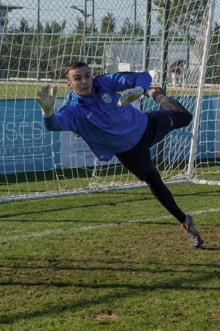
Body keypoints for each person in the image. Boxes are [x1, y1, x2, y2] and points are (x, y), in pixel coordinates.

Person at [36, 61, 202, 247]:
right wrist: (47, 112)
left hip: (146, 125)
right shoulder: (73, 109)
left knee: (185, 117)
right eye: (78, 78)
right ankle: (186, 221)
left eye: (87, 75)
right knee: (153, 180)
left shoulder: (104, 82)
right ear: (69, 84)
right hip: (130, 152)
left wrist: (140, 89)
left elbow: (143, 76)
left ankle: (154, 94)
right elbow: (54, 125)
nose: (85, 81)